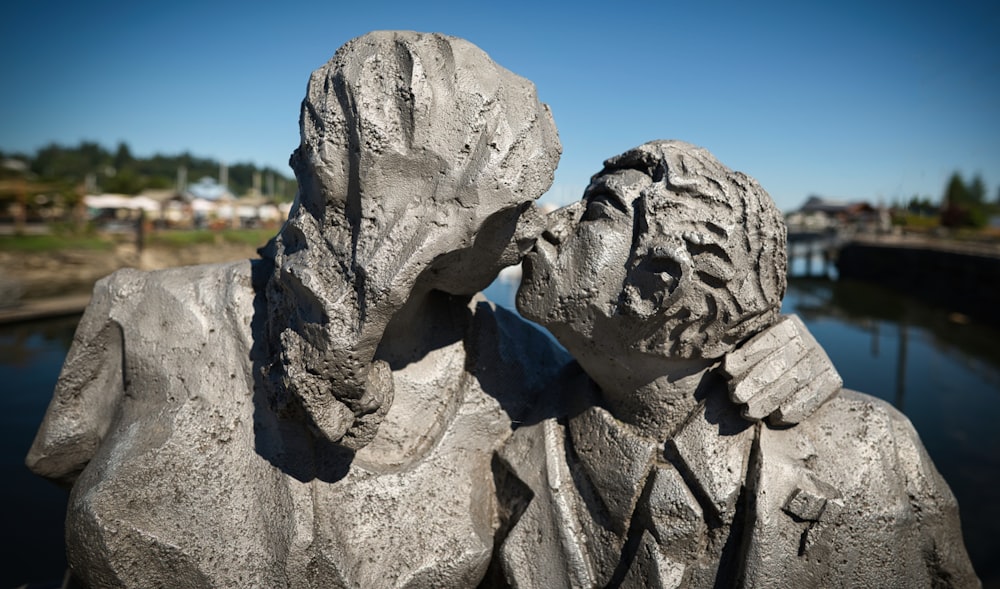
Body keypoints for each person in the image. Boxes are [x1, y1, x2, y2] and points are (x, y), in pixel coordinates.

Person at [26, 31, 568, 588]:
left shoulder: (520, 366)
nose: (535, 230)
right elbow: (61, 459)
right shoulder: (140, 311)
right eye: (517, 208)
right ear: (433, 223)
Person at [499, 140, 980, 588]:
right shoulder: (504, 429)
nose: (550, 222)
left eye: (597, 210)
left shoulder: (875, 453)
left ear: (658, 284)